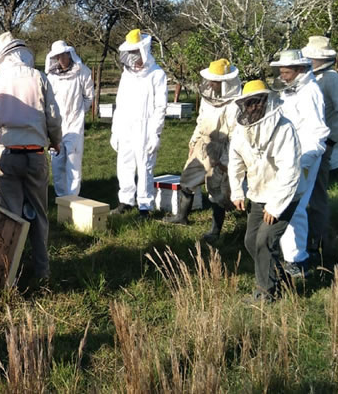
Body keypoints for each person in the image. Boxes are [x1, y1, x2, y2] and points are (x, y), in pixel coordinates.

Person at [0, 32, 62, 281]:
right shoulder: (39, 78)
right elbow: (53, 117)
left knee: (10, 216)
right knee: (39, 214)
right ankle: (42, 271)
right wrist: (56, 140)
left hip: (5, 156)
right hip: (35, 154)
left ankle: (8, 275)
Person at [229, 80, 302, 302]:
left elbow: (290, 171)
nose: (253, 107)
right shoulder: (241, 130)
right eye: (249, 103)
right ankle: (280, 278)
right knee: (251, 241)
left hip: (285, 196)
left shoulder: (284, 129)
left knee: (265, 241)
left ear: (267, 101)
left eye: (257, 102)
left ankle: (266, 293)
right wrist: (237, 191)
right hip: (258, 194)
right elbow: (235, 161)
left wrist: (276, 206)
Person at [162, 59, 241, 243]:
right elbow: (200, 121)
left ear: (225, 83)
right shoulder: (208, 98)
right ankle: (181, 216)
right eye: (210, 81)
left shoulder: (234, 104)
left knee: (216, 191)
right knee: (187, 180)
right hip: (203, 145)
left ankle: (215, 231)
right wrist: (193, 142)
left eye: (215, 82)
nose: (210, 85)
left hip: (222, 149)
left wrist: (226, 161)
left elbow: (235, 136)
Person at [271, 49, 329, 278]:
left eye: (286, 72)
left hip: (304, 157)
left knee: (295, 206)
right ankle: (288, 252)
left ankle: (297, 259)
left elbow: (317, 131)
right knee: (284, 204)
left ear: (300, 69)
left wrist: (304, 162)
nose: (282, 76)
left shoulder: (310, 92)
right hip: (288, 155)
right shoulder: (292, 90)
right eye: (281, 72)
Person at [301, 36, 338, 258]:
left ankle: (318, 242)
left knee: (317, 195)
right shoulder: (312, 77)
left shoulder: (332, 79)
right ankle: (305, 239)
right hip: (304, 145)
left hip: (320, 145)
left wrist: (331, 140)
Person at [110, 29, 168, 218]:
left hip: (146, 128)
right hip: (126, 126)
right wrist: (115, 131)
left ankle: (145, 206)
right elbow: (120, 103)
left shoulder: (157, 74)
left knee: (145, 166)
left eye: (136, 53)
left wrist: (155, 133)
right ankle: (126, 201)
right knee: (124, 164)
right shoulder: (126, 75)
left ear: (144, 51)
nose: (134, 58)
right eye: (131, 53)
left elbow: (160, 106)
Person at [44, 40, 94, 197]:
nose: (61, 59)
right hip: (56, 125)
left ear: (69, 54)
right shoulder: (51, 77)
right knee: (57, 162)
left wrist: (79, 112)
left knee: (74, 160)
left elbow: (88, 97)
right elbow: (48, 101)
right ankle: (61, 198)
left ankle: (73, 197)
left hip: (75, 123)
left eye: (63, 55)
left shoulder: (82, 72)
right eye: (58, 56)